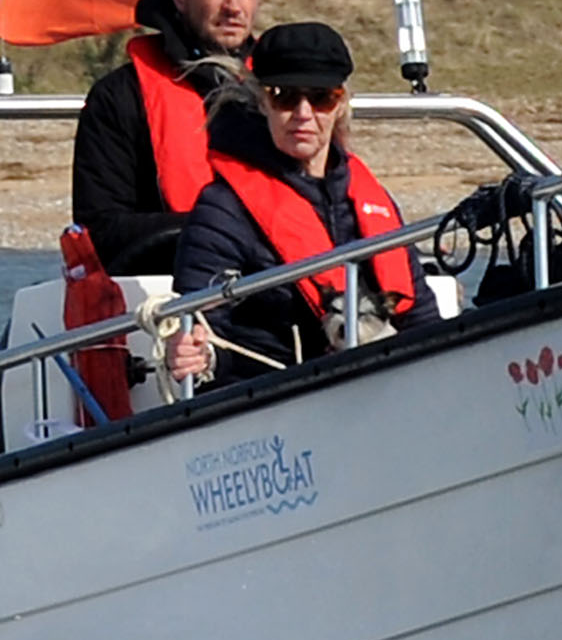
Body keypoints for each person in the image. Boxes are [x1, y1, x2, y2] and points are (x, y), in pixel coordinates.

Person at [164, 20, 414, 383]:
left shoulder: (371, 199)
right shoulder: (222, 209)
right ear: (263, 101)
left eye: (321, 97)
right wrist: (195, 353)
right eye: (284, 96)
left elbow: (420, 315)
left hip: (381, 387)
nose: (303, 113)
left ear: (340, 104)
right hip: (275, 397)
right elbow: (204, 327)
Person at [70, 0, 266, 288]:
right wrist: (217, 229)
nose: (233, 7)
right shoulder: (119, 97)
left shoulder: (285, 93)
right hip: (166, 297)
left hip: (280, 289)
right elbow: (102, 231)